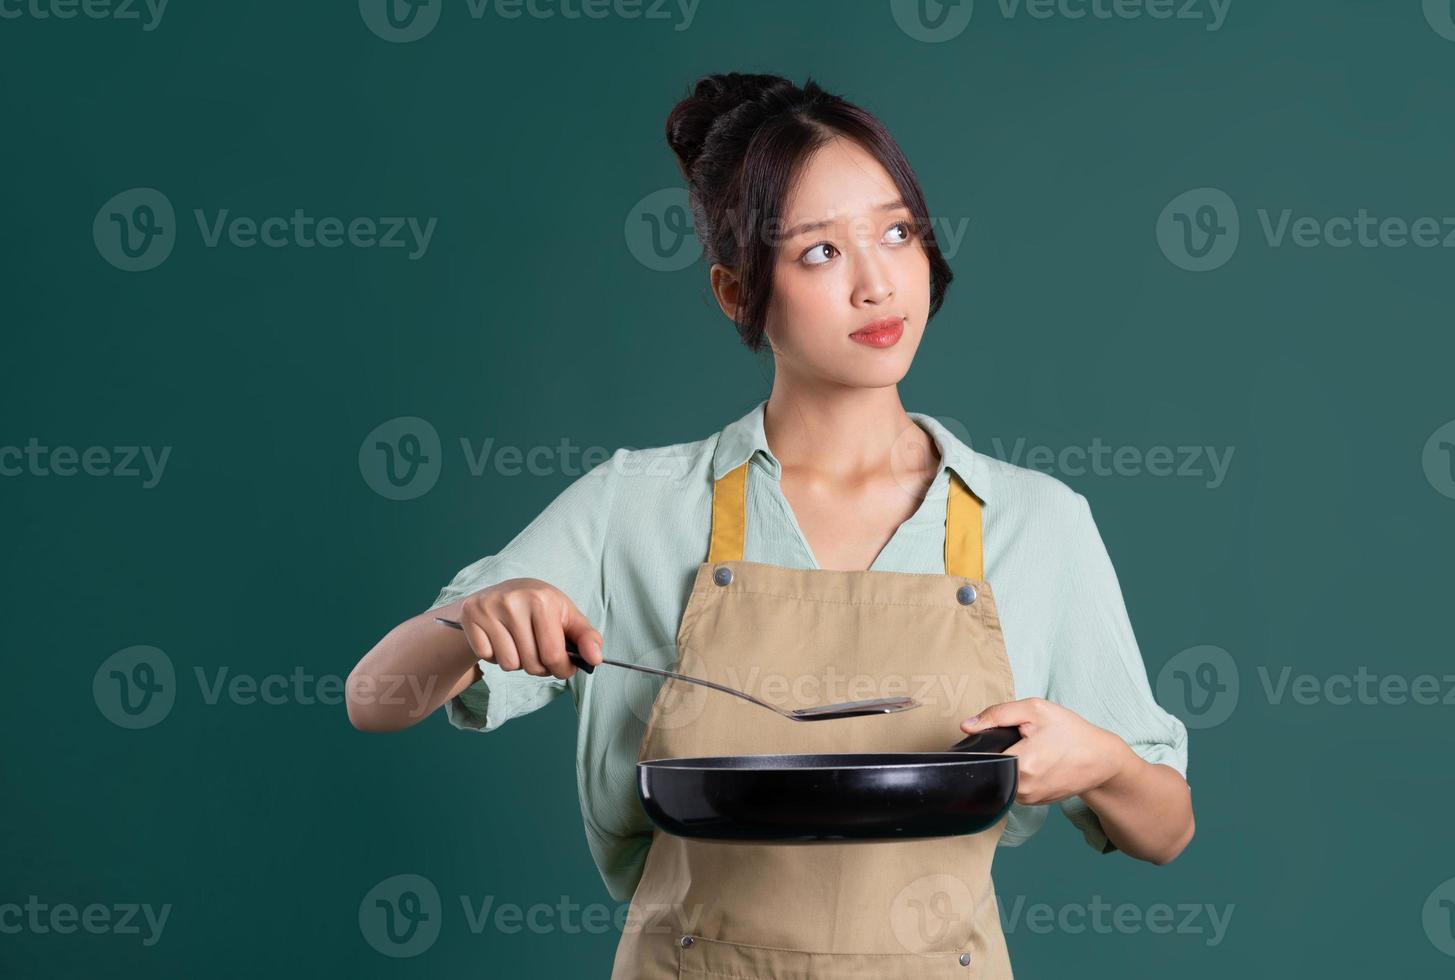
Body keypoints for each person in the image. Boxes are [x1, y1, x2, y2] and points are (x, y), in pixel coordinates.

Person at [347, 71, 1194, 979]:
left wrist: (1102, 762)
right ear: (734, 289)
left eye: (896, 231)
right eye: (820, 253)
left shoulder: (1037, 523)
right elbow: (375, 700)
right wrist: (472, 621)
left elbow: (1165, 832)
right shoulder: (636, 506)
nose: (877, 284)